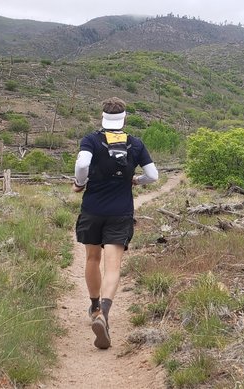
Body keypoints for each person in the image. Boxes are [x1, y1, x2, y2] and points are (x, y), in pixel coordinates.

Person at [72, 97, 158, 349]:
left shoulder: (91, 139)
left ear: (102, 116)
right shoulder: (135, 143)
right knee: (113, 266)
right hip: (120, 211)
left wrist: (80, 183)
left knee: (91, 259)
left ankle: (95, 305)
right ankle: (105, 314)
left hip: (92, 209)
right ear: (124, 118)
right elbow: (153, 176)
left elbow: (82, 164)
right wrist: (136, 181)